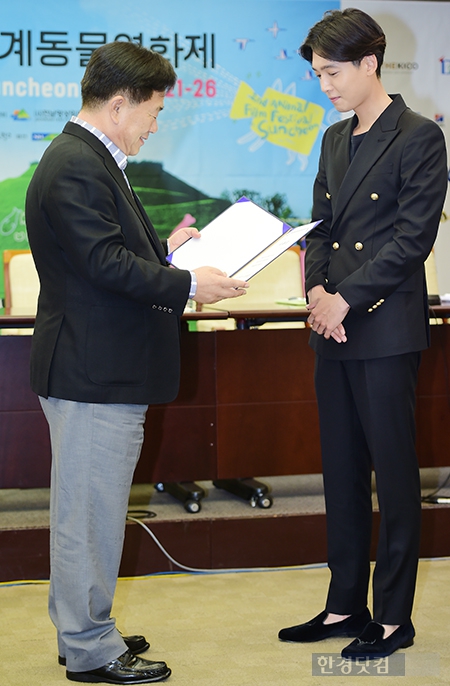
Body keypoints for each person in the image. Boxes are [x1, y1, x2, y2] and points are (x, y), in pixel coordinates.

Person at [25, 41, 248, 684]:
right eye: (153, 111)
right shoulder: (76, 163)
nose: (156, 124)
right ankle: (91, 648)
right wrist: (185, 286)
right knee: (88, 516)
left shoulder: (92, 159)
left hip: (99, 367)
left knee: (86, 512)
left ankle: (82, 631)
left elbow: (105, 254)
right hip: (93, 372)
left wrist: (167, 251)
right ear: (119, 103)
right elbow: (101, 265)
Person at [278, 8, 448, 660]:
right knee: (342, 472)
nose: (325, 85)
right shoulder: (333, 139)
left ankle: (393, 619)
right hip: (335, 328)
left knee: (395, 477)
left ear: (370, 63)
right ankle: (345, 604)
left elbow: (412, 240)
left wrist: (347, 298)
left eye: (332, 71)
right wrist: (319, 294)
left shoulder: (417, 137)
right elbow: (319, 226)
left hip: (383, 329)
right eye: (318, 74)